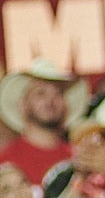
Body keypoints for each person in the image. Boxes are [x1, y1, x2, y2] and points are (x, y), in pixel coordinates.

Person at [0, 59, 77, 188]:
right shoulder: (5, 162)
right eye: (41, 93)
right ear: (23, 105)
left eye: (58, 93)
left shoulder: (80, 159)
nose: (50, 100)